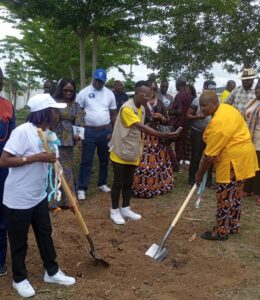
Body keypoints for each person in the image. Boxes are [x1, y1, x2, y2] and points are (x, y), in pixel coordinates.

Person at [0, 94, 75, 298]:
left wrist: (51, 156)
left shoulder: (47, 133)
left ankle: (51, 271)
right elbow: (4, 161)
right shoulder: (22, 132)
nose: (58, 114)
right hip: (18, 198)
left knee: (45, 233)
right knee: (19, 240)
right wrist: (36, 158)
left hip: (38, 194)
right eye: (54, 110)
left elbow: (52, 160)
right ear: (44, 112)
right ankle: (19, 279)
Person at [108, 80, 180, 225]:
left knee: (129, 182)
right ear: (137, 93)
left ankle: (126, 208)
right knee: (118, 182)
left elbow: (143, 126)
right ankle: (114, 210)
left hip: (133, 150)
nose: (149, 97)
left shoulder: (140, 107)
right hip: (121, 151)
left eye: (150, 94)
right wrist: (164, 135)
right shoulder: (127, 109)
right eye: (146, 95)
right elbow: (141, 127)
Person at [195, 91, 259, 241]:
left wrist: (199, 174)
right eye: (200, 106)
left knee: (225, 195)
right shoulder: (227, 108)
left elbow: (209, 155)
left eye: (204, 105)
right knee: (236, 194)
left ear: (214, 103)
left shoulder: (219, 123)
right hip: (243, 156)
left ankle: (221, 231)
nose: (202, 109)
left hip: (233, 160)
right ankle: (232, 225)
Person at [76, 68, 117, 200]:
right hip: (89, 130)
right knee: (86, 160)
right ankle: (82, 188)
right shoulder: (83, 93)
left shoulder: (110, 94)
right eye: (97, 80)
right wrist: (79, 134)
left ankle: (102, 183)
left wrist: (113, 132)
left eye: (102, 81)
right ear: (93, 79)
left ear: (104, 81)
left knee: (104, 159)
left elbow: (113, 114)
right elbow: (78, 114)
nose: (99, 83)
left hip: (105, 130)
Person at [132, 81, 174, 199]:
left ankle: (158, 187)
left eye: (155, 89)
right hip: (144, 136)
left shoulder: (160, 103)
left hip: (157, 137)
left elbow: (168, 121)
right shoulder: (142, 103)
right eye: (151, 89)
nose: (153, 91)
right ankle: (141, 188)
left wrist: (162, 117)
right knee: (143, 165)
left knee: (159, 164)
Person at [53, 79, 84, 208]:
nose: (68, 92)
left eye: (71, 90)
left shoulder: (76, 106)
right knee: (55, 168)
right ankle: (55, 201)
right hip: (54, 140)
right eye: (66, 90)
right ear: (61, 89)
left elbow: (80, 121)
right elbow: (52, 121)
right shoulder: (55, 103)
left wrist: (78, 136)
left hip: (69, 141)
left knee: (67, 169)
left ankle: (68, 200)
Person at [0, 67, 15, 276]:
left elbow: (12, 141)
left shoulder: (8, 107)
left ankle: (0, 259)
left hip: (1, 170)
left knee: (2, 216)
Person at [186, 80, 216, 187]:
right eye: (209, 89)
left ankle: (207, 181)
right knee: (196, 156)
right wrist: (199, 116)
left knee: (210, 157)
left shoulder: (218, 101)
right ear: (204, 88)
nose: (211, 91)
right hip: (198, 132)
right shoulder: (197, 100)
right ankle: (192, 180)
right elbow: (188, 115)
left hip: (211, 133)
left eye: (213, 89)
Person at [168, 78, 192, 166]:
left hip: (179, 123)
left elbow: (179, 111)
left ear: (177, 85)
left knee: (176, 142)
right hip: (187, 123)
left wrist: (169, 112)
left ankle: (176, 161)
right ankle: (180, 160)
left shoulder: (179, 96)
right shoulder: (189, 95)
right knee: (182, 142)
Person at [243, 80, 260, 204]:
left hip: (259, 141)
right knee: (250, 166)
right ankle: (248, 189)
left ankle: (258, 193)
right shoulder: (252, 102)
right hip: (249, 139)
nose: (258, 90)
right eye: (257, 88)